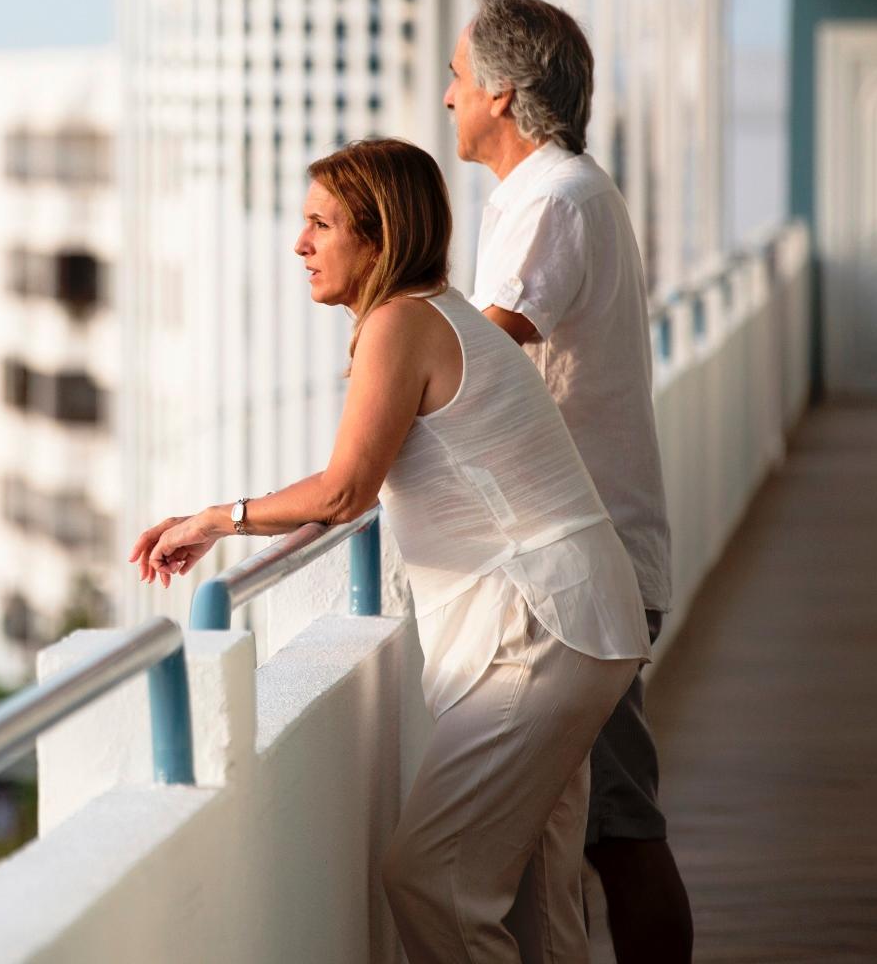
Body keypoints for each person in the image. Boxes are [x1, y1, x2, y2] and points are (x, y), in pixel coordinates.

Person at [129, 137, 649, 962]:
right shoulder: (442, 314)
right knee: (541, 891)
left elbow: (346, 492)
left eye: (320, 224)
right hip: (577, 617)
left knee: (429, 878)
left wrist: (215, 518)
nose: (300, 244)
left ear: (378, 237)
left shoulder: (401, 322)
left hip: (537, 630)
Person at [445, 0, 694, 963]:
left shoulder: (551, 198)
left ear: (502, 95)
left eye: (461, 79)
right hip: (587, 559)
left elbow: (483, 358)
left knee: (618, 825)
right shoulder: (557, 192)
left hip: (593, 569)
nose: (448, 95)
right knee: (591, 825)